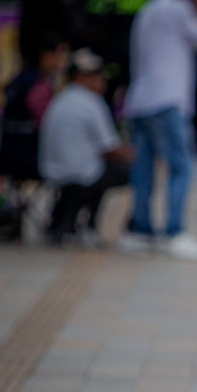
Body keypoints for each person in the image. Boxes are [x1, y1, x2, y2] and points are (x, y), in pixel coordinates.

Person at [118, 0, 197, 259]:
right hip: (167, 100)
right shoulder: (177, 11)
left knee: (143, 168)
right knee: (182, 166)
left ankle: (141, 229)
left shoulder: (148, 10)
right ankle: (174, 231)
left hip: (140, 100)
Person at [38, 49, 133, 246]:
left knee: (101, 168)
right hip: (82, 173)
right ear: (80, 77)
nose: (102, 80)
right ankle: (91, 225)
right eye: (96, 76)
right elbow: (111, 149)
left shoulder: (61, 99)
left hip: (51, 170)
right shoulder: (91, 102)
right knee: (129, 171)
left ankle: (68, 222)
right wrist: (138, 156)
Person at [0, 33, 67, 184]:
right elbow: (47, 123)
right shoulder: (39, 86)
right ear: (45, 56)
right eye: (58, 54)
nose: (62, 61)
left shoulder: (19, 79)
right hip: (28, 159)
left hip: (7, 156)